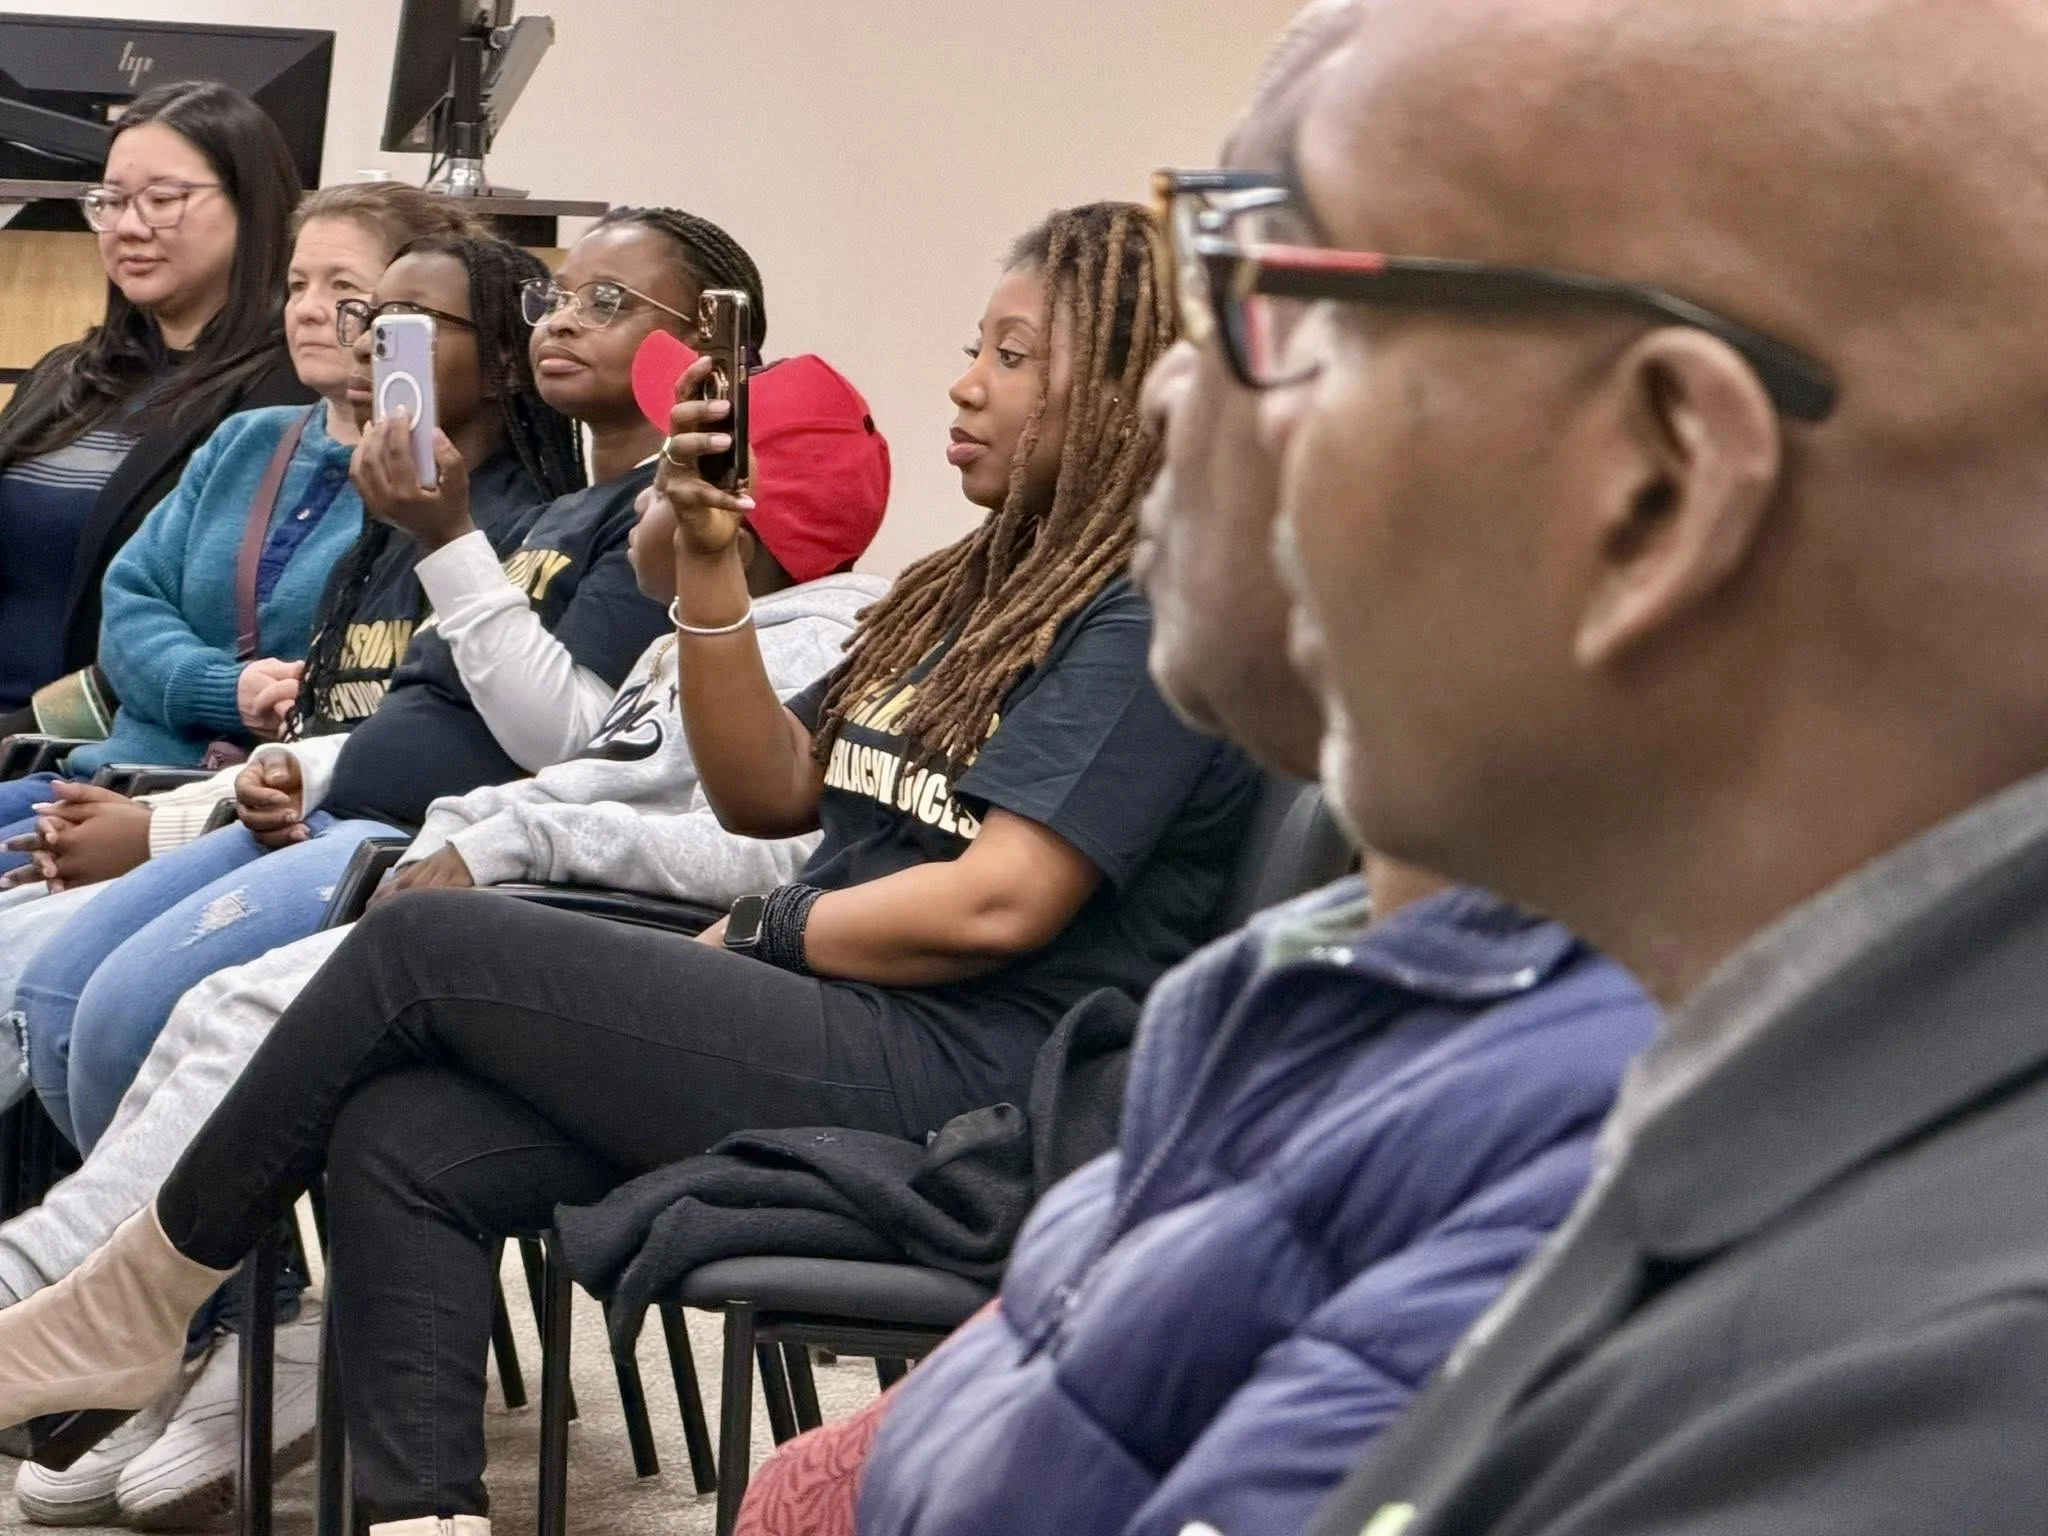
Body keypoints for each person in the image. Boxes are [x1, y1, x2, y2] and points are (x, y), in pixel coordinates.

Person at [0, 200, 1261, 1536]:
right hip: (854, 1016)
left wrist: (767, 929)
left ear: (1127, 394)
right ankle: (416, 1516)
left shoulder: (1145, 610)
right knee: (408, 1132)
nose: (965, 383)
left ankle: (133, 1301)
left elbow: (998, 902)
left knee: (426, 946)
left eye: (1013, 357)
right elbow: (768, 784)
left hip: (976, 1066)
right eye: (974, 348)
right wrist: (708, 569)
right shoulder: (967, 591)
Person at [1131, 1, 2048, 1533]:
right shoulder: (1807, 1152)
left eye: (1316, 316)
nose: (1221, 414)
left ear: (1659, 488)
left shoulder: (1907, 1429)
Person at [747, 13, 1653, 1535]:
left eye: (1263, 295)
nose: (1171, 391)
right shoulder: (1262, 995)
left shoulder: (1568, 1154)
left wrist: (772, 928)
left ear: (1657, 465)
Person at [0, 352, 890, 1532]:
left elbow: (770, 856)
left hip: (642, 959)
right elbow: (582, 783)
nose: (635, 499)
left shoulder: (815, 638)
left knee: (273, 1001)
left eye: (659, 482)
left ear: (731, 511)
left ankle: (54, 1288)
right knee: (240, 1010)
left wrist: (503, 841)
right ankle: (118, 1312)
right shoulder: (694, 638)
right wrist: (477, 827)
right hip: (531, 911)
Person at [7, 227, 579, 1157]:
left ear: (505, 361)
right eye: (368, 318)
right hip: (259, 804)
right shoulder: (374, 523)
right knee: (45, 985)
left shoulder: (500, 531)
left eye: (406, 324)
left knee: (77, 1004)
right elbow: (145, 615)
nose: (368, 343)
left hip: (376, 840)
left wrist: (163, 827)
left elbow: (456, 745)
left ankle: (172, 1244)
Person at [0, 186, 484, 867]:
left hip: (230, 816)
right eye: (297, 283)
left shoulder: (439, 488)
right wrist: (226, 688)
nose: (308, 308)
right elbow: (130, 606)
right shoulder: (245, 440)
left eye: (344, 288)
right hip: (96, 776)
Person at [0, 82, 309, 735]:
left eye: (163, 201)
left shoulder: (286, 399)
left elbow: (207, 633)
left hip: (89, 743)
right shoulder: (66, 373)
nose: (129, 227)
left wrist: (19, 735)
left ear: (250, 205)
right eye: (111, 201)